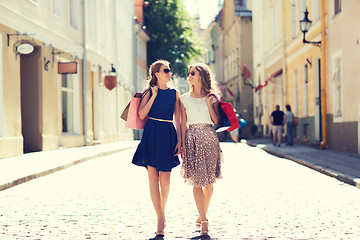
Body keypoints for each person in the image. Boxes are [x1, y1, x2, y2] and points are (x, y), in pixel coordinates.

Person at [132, 60, 181, 239]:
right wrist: (152, 96)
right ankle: (160, 219)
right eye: (165, 70)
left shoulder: (175, 94)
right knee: (153, 180)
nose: (169, 73)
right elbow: (141, 114)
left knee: (165, 181)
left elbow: (179, 119)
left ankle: (162, 213)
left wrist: (180, 140)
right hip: (151, 133)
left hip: (168, 134)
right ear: (157, 74)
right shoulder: (148, 92)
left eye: (169, 70)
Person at [179, 63, 222, 237]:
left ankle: (201, 212)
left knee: (209, 183)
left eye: (193, 73)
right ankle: (204, 219)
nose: (189, 76)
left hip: (209, 137)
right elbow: (182, 123)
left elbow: (216, 120)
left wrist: (209, 104)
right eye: (189, 73)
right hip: (192, 138)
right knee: (197, 182)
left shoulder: (212, 97)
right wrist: (181, 143)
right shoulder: (183, 98)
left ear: (202, 77)